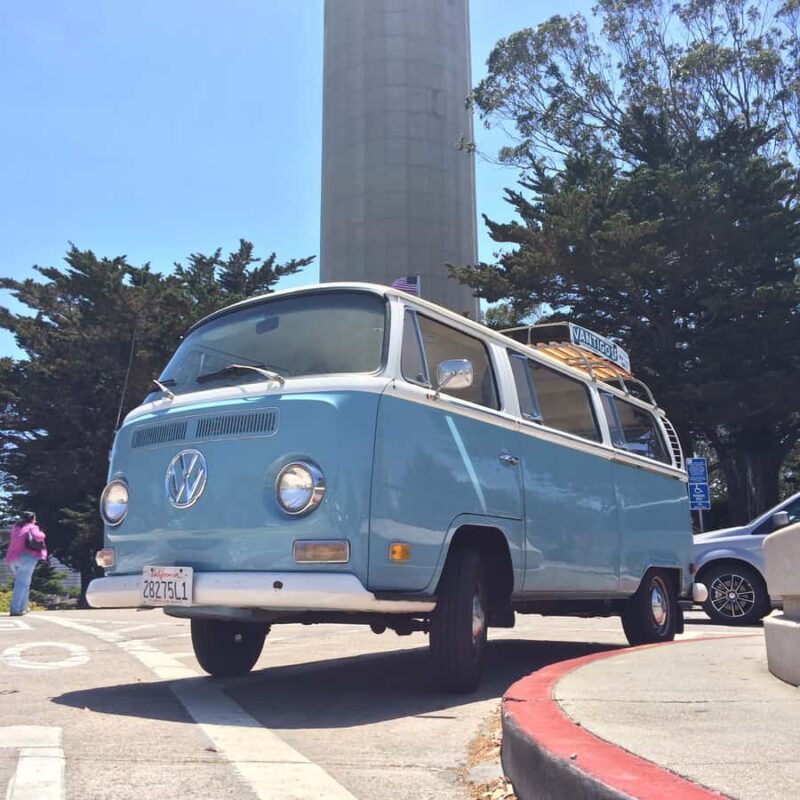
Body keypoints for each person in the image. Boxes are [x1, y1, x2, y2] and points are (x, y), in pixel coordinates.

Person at [4, 511, 47, 616]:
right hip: (26, 557)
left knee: (24, 583)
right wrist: (42, 533)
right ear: (32, 519)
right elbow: (39, 537)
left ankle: (23, 607)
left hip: (13, 558)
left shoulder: (15, 528)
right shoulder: (32, 527)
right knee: (22, 583)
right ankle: (15, 609)